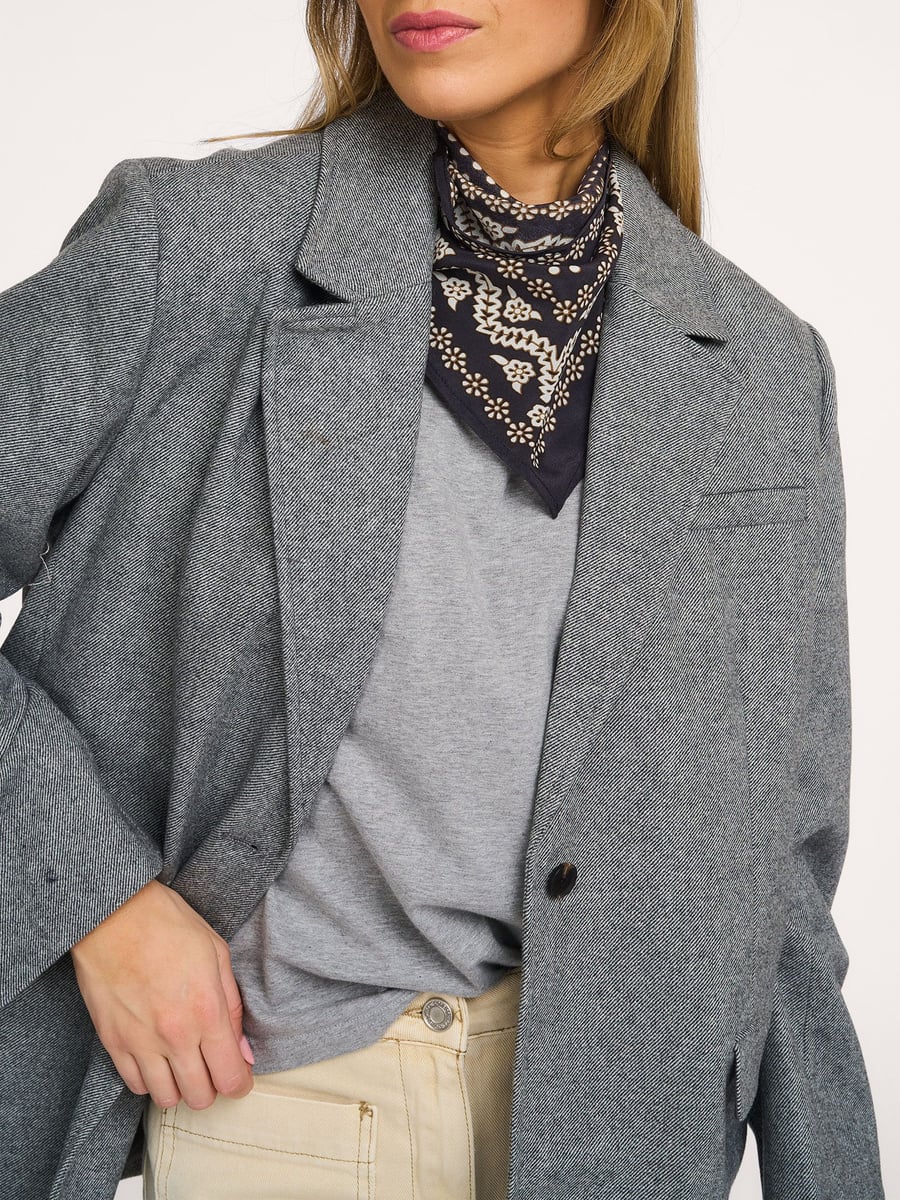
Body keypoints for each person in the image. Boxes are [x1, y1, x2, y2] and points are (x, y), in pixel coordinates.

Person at [0, 1, 886, 1197]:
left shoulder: (764, 363)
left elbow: (782, 863)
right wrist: (100, 904)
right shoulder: (201, 246)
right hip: (283, 1110)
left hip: (622, 1139)